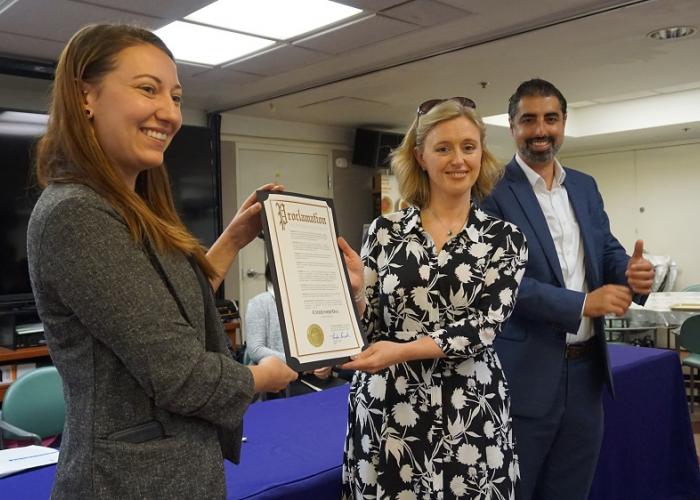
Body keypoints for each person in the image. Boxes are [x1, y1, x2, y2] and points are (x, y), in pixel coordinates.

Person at [26, 24, 297, 499]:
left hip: (175, 470)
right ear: (85, 96)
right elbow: (180, 376)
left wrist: (232, 239)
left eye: (175, 97)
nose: (169, 113)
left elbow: (168, 311)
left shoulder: (131, 207)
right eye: (147, 89)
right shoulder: (77, 213)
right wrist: (263, 375)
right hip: (129, 482)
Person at [337, 97, 528, 499]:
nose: (458, 159)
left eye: (468, 146)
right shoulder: (382, 232)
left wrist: (400, 351)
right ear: (420, 156)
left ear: (481, 153)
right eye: (443, 148)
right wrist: (355, 292)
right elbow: (369, 326)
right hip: (390, 410)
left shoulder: (504, 239)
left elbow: (481, 329)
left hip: (470, 408)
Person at [479, 78, 655, 500]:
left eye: (551, 119)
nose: (541, 129)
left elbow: (605, 250)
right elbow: (502, 282)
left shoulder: (584, 185)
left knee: (571, 490)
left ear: (563, 123)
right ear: (512, 126)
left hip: (586, 374)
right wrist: (582, 304)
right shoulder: (491, 192)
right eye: (529, 120)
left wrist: (631, 273)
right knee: (516, 491)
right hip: (527, 374)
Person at [245, 263, 349, 396]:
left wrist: (325, 365)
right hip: (275, 384)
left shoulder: (310, 302)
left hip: (312, 380)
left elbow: (323, 344)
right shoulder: (259, 303)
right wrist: (301, 362)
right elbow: (255, 350)